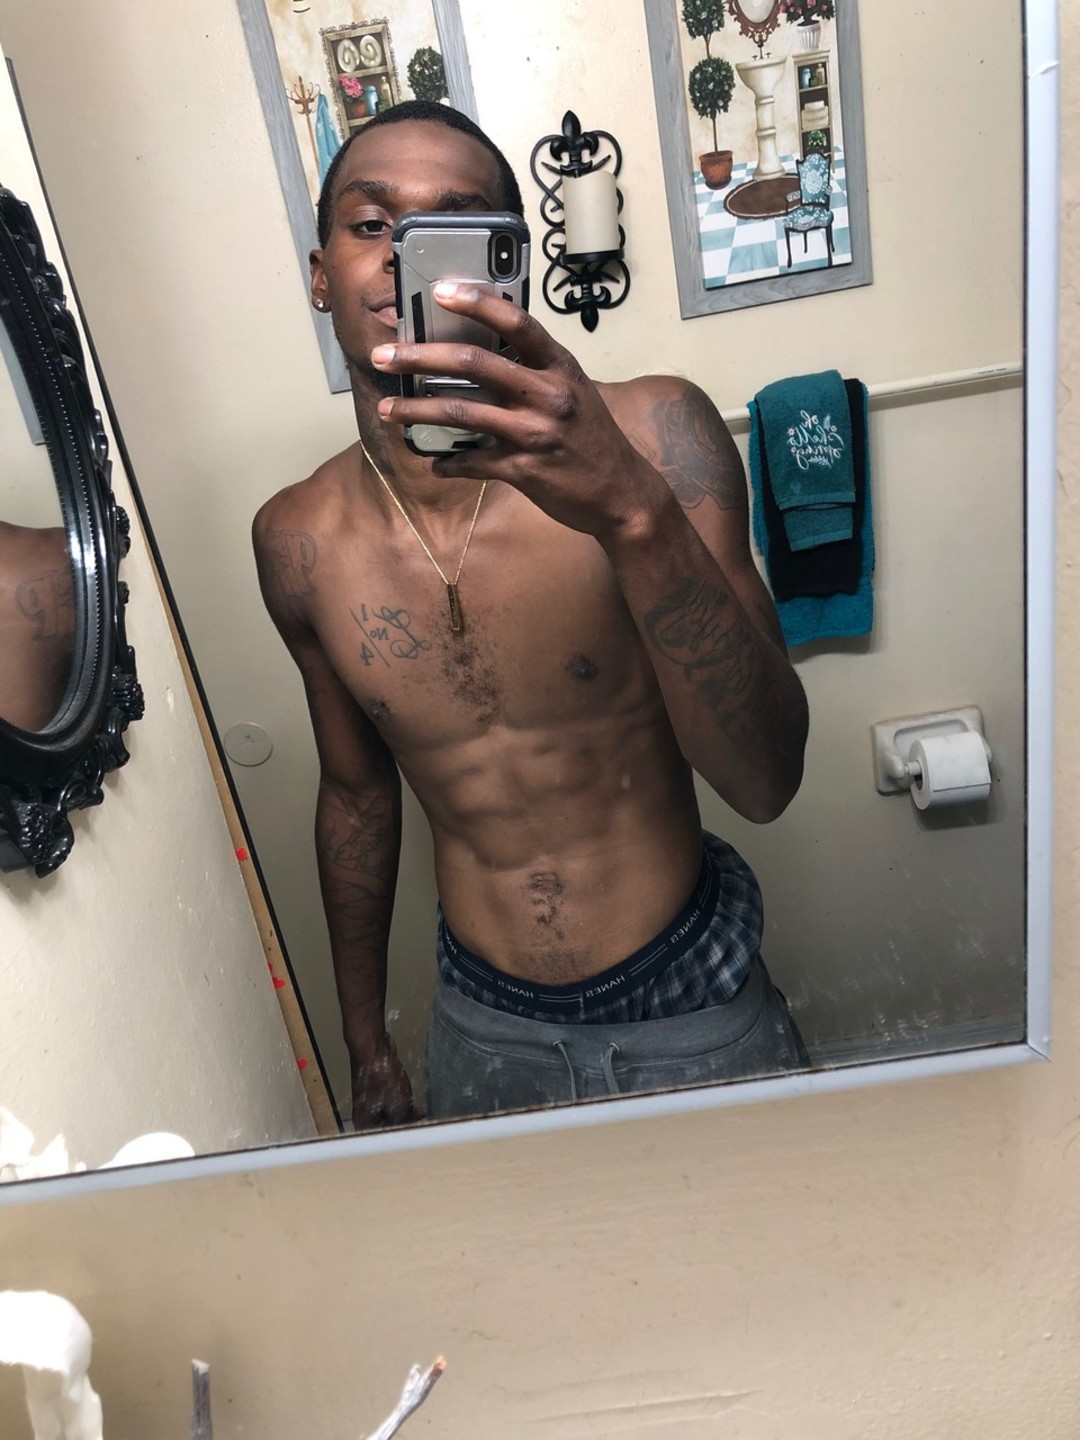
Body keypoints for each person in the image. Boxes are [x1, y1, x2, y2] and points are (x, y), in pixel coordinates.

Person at [253, 101, 810, 1129]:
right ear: (320, 272)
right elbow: (357, 798)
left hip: (692, 990)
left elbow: (767, 780)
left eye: (452, 226)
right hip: (482, 1024)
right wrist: (365, 1043)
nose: (402, 259)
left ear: (507, 263)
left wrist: (634, 511)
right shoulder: (296, 539)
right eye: (371, 225)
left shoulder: (656, 431)